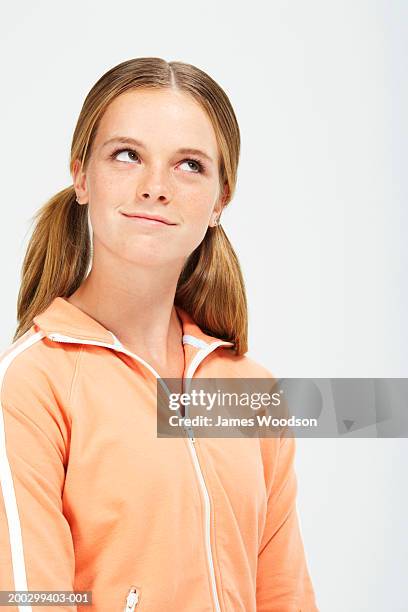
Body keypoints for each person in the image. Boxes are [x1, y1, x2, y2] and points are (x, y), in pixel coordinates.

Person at [0, 57, 319, 611]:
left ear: (220, 200)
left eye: (189, 165)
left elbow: (285, 593)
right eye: (127, 155)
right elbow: (30, 599)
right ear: (81, 176)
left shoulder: (250, 390)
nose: (155, 187)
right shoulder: (32, 384)